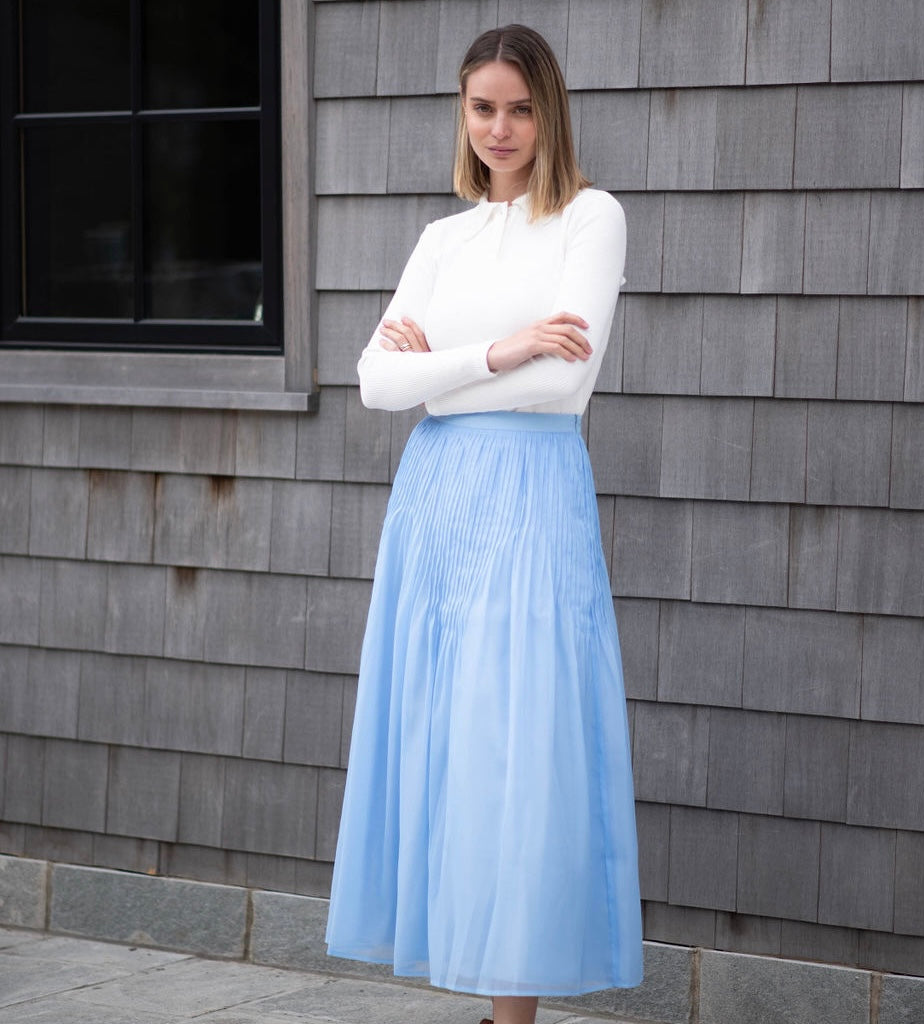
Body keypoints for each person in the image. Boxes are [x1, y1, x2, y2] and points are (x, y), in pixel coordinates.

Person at [325, 24, 643, 1024]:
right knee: (441, 733)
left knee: (521, 745)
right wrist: (497, 353)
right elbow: (377, 381)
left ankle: (510, 1017)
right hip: (437, 505)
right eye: (481, 107)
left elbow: (567, 384)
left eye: (519, 107)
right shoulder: (443, 239)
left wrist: (448, 369)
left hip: (531, 501)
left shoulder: (590, 219)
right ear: (461, 113)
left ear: (548, 110)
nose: (499, 128)